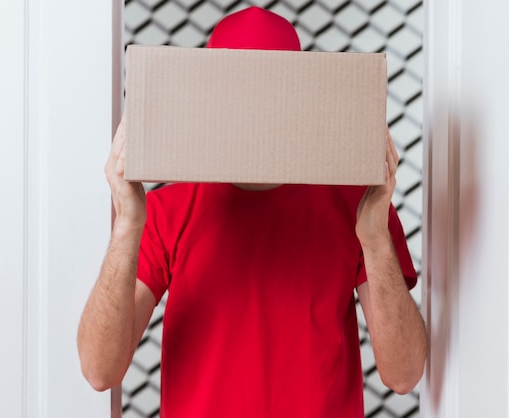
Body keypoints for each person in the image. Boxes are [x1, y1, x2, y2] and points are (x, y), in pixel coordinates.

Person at [78, 6, 427, 418]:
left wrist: (375, 239)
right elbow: (100, 371)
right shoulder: (163, 211)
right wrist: (126, 226)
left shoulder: (359, 208)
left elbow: (403, 375)